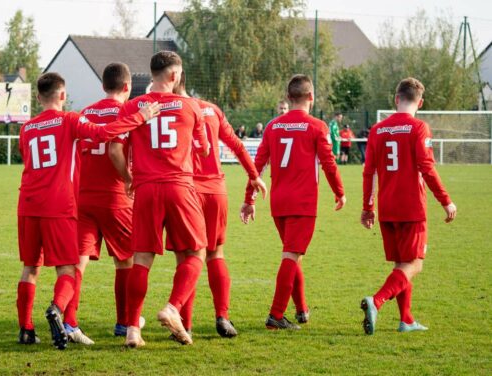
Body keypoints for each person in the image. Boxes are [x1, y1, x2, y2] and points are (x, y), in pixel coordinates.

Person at [15, 72, 159, 350]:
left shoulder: (27, 128)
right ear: (62, 95)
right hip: (62, 204)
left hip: (28, 204)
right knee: (70, 267)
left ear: (37, 97)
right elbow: (104, 134)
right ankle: (61, 311)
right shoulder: (70, 119)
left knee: (31, 268)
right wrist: (141, 117)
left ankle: (26, 329)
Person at [110, 51, 212, 348]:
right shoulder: (190, 105)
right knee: (196, 253)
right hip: (179, 187)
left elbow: (115, 150)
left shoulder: (133, 106)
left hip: (145, 189)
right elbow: (204, 150)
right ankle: (172, 307)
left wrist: (128, 178)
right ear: (173, 75)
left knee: (141, 259)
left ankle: (132, 330)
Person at [241, 74, 346, 330]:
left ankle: (301, 309)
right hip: (302, 203)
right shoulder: (317, 127)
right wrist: (339, 191)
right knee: (291, 255)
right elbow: (329, 164)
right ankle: (276, 316)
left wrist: (249, 199)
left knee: (293, 254)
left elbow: (258, 166)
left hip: (278, 202)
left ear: (289, 98)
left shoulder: (273, 126)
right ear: (311, 97)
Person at [167, 72, 266, 339]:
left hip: (185, 191)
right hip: (215, 191)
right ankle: (222, 315)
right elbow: (236, 144)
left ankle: (184, 324)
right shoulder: (211, 109)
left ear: (171, 81)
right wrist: (254, 176)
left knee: (186, 258)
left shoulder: (169, 111)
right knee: (216, 254)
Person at [360, 77, 457, 335]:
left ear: (396, 99)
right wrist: (446, 200)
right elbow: (427, 168)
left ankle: (406, 320)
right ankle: (377, 301)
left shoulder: (377, 130)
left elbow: (369, 172)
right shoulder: (418, 128)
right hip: (412, 207)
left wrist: (367, 207)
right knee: (414, 264)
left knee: (401, 264)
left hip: (386, 207)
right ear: (420, 102)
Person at [61, 62, 141, 345]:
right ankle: (124, 323)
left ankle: (70, 322)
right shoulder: (126, 112)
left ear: (103, 85)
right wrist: (130, 178)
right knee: (126, 261)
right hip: (115, 196)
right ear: (127, 87)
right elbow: (115, 151)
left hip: (83, 196)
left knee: (78, 262)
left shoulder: (86, 112)